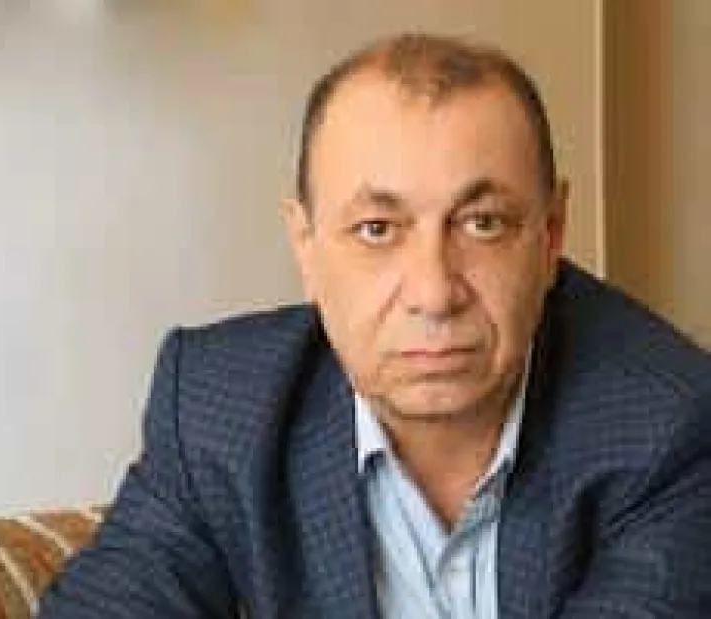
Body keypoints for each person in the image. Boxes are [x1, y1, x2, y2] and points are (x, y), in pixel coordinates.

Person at [37, 33, 711, 618]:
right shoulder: (220, 410)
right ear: (305, 245)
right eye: (377, 229)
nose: (433, 293)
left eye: (482, 224)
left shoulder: (669, 425)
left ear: (551, 235)